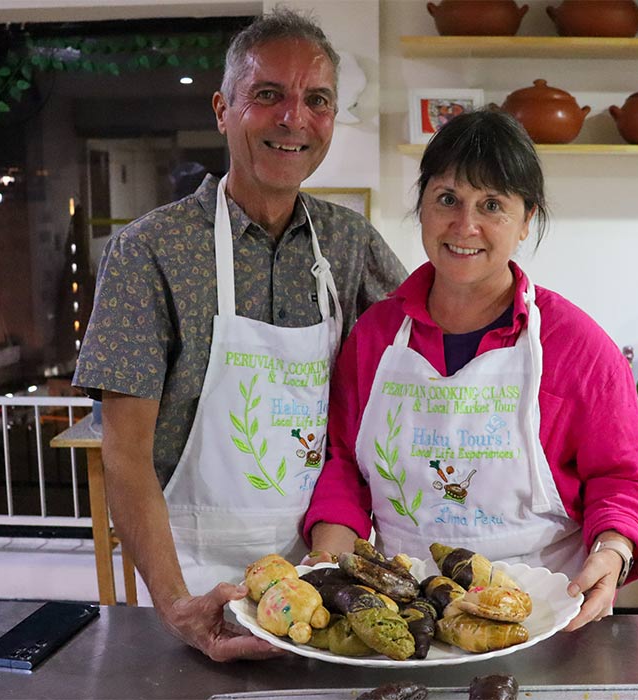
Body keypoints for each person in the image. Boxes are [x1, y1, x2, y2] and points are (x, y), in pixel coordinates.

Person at [73, 9, 406, 661]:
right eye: (268, 96)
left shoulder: (348, 242)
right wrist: (174, 606)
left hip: (324, 580)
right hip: (198, 586)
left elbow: (431, 344)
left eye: (317, 100)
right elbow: (125, 453)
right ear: (223, 109)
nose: (294, 119)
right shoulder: (150, 252)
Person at [304, 110, 638, 630]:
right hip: (407, 617)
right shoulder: (375, 339)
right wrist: (328, 566)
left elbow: (624, 479)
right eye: (447, 199)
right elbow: (342, 467)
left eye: (491, 205)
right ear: (422, 208)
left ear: (526, 222)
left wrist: (612, 554)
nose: (464, 226)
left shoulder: (577, 347)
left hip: (545, 619)